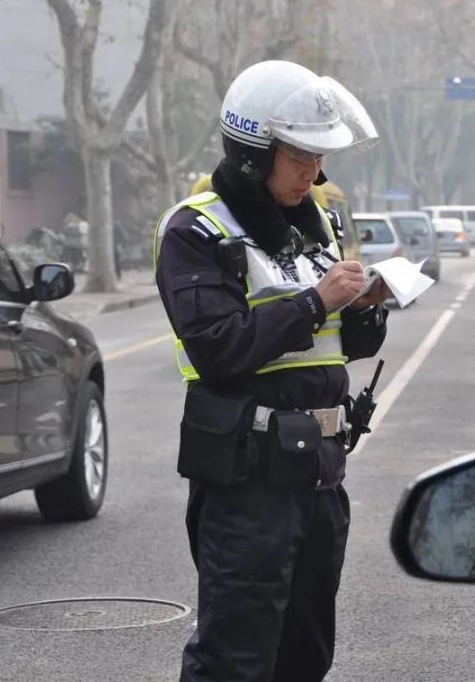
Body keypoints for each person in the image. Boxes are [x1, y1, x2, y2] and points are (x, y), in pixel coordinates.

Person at [152, 60, 389, 682]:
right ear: (255, 153)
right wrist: (315, 302)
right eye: (300, 157)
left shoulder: (317, 228)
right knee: (235, 658)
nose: (315, 172)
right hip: (247, 479)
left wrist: (367, 309)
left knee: (305, 653)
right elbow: (218, 348)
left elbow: (337, 349)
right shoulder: (197, 230)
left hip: (319, 473)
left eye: (319, 157)